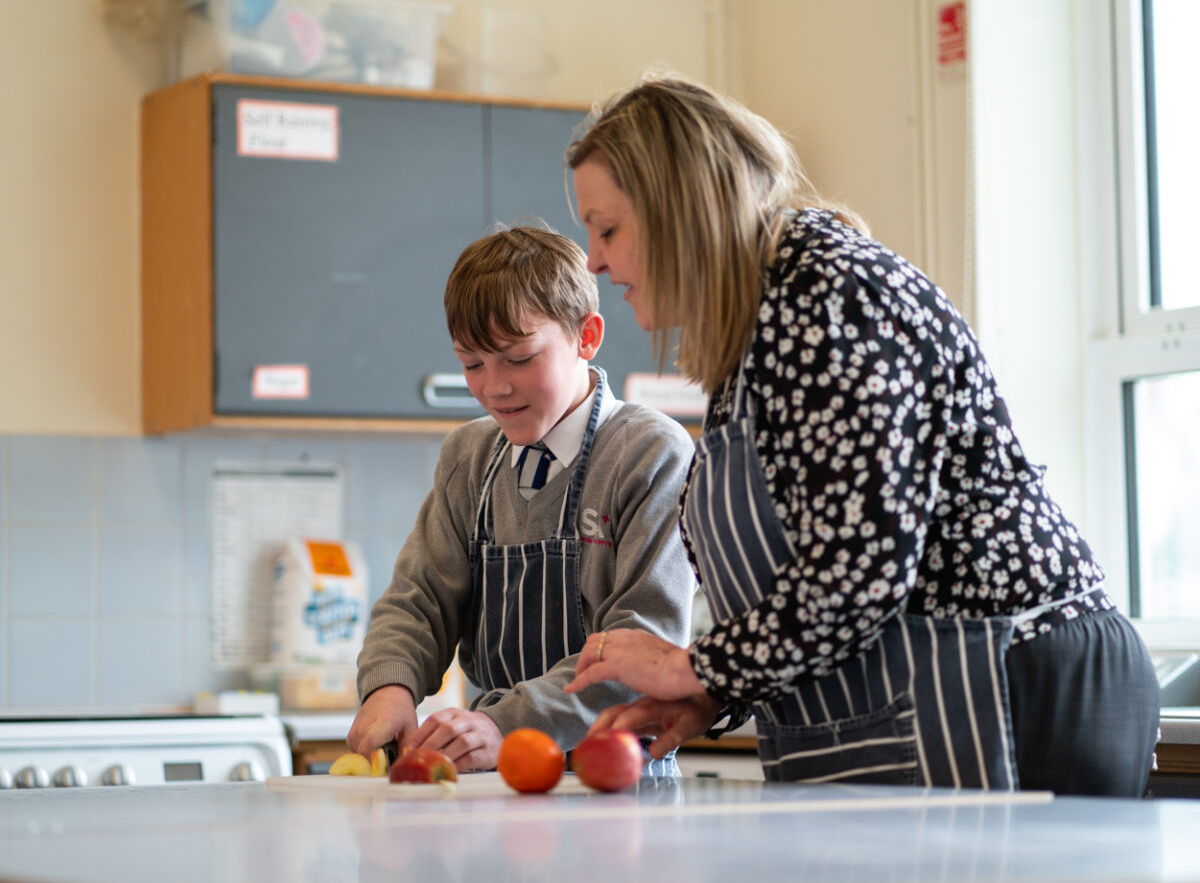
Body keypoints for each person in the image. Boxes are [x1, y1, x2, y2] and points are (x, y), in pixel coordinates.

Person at [563, 73, 1159, 796]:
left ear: (679, 209)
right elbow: (809, 578)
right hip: (941, 683)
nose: (593, 260)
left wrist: (689, 665)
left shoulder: (831, 296)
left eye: (607, 229)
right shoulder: (758, 327)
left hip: (1013, 677)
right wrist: (712, 694)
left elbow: (860, 562)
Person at [348, 225, 695, 775]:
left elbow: (641, 645)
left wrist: (505, 724)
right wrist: (389, 684)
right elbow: (418, 599)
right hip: (493, 775)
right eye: (472, 364)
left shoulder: (650, 453)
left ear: (588, 336)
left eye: (518, 358)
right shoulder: (469, 454)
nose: (494, 387)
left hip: (616, 778)